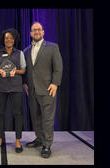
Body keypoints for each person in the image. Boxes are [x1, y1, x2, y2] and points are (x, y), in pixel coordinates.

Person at [23, 22, 63, 158]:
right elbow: (27, 70)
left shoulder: (52, 47)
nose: (37, 32)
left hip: (47, 89)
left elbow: (58, 67)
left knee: (47, 118)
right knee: (36, 117)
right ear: (30, 33)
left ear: (43, 32)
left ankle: (47, 145)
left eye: (39, 30)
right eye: (34, 30)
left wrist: (55, 83)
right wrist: (25, 84)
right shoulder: (26, 50)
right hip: (32, 90)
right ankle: (39, 139)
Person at [0, 28, 26, 153]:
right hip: (1, 87)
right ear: (3, 40)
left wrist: (15, 71)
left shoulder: (20, 53)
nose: (9, 40)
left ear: (14, 39)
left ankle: (18, 141)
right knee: (0, 114)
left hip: (16, 87)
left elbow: (23, 70)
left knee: (17, 114)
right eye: (6, 38)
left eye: (11, 38)